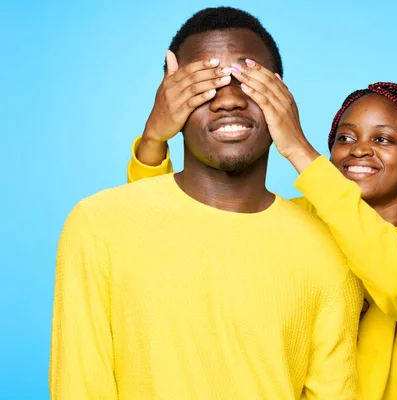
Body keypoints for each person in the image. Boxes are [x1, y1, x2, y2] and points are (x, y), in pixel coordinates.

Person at [50, 7, 364, 400]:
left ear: (281, 96)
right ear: (171, 99)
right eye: (203, 84)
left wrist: (299, 147)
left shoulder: (329, 246)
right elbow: (80, 387)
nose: (227, 101)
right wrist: (152, 138)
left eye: (248, 81)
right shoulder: (97, 225)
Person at [129, 56, 397, 398]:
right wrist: (153, 140)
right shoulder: (299, 219)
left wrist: (297, 147)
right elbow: (183, 239)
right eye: (345, 138)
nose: (359, 150)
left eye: (383, 140)